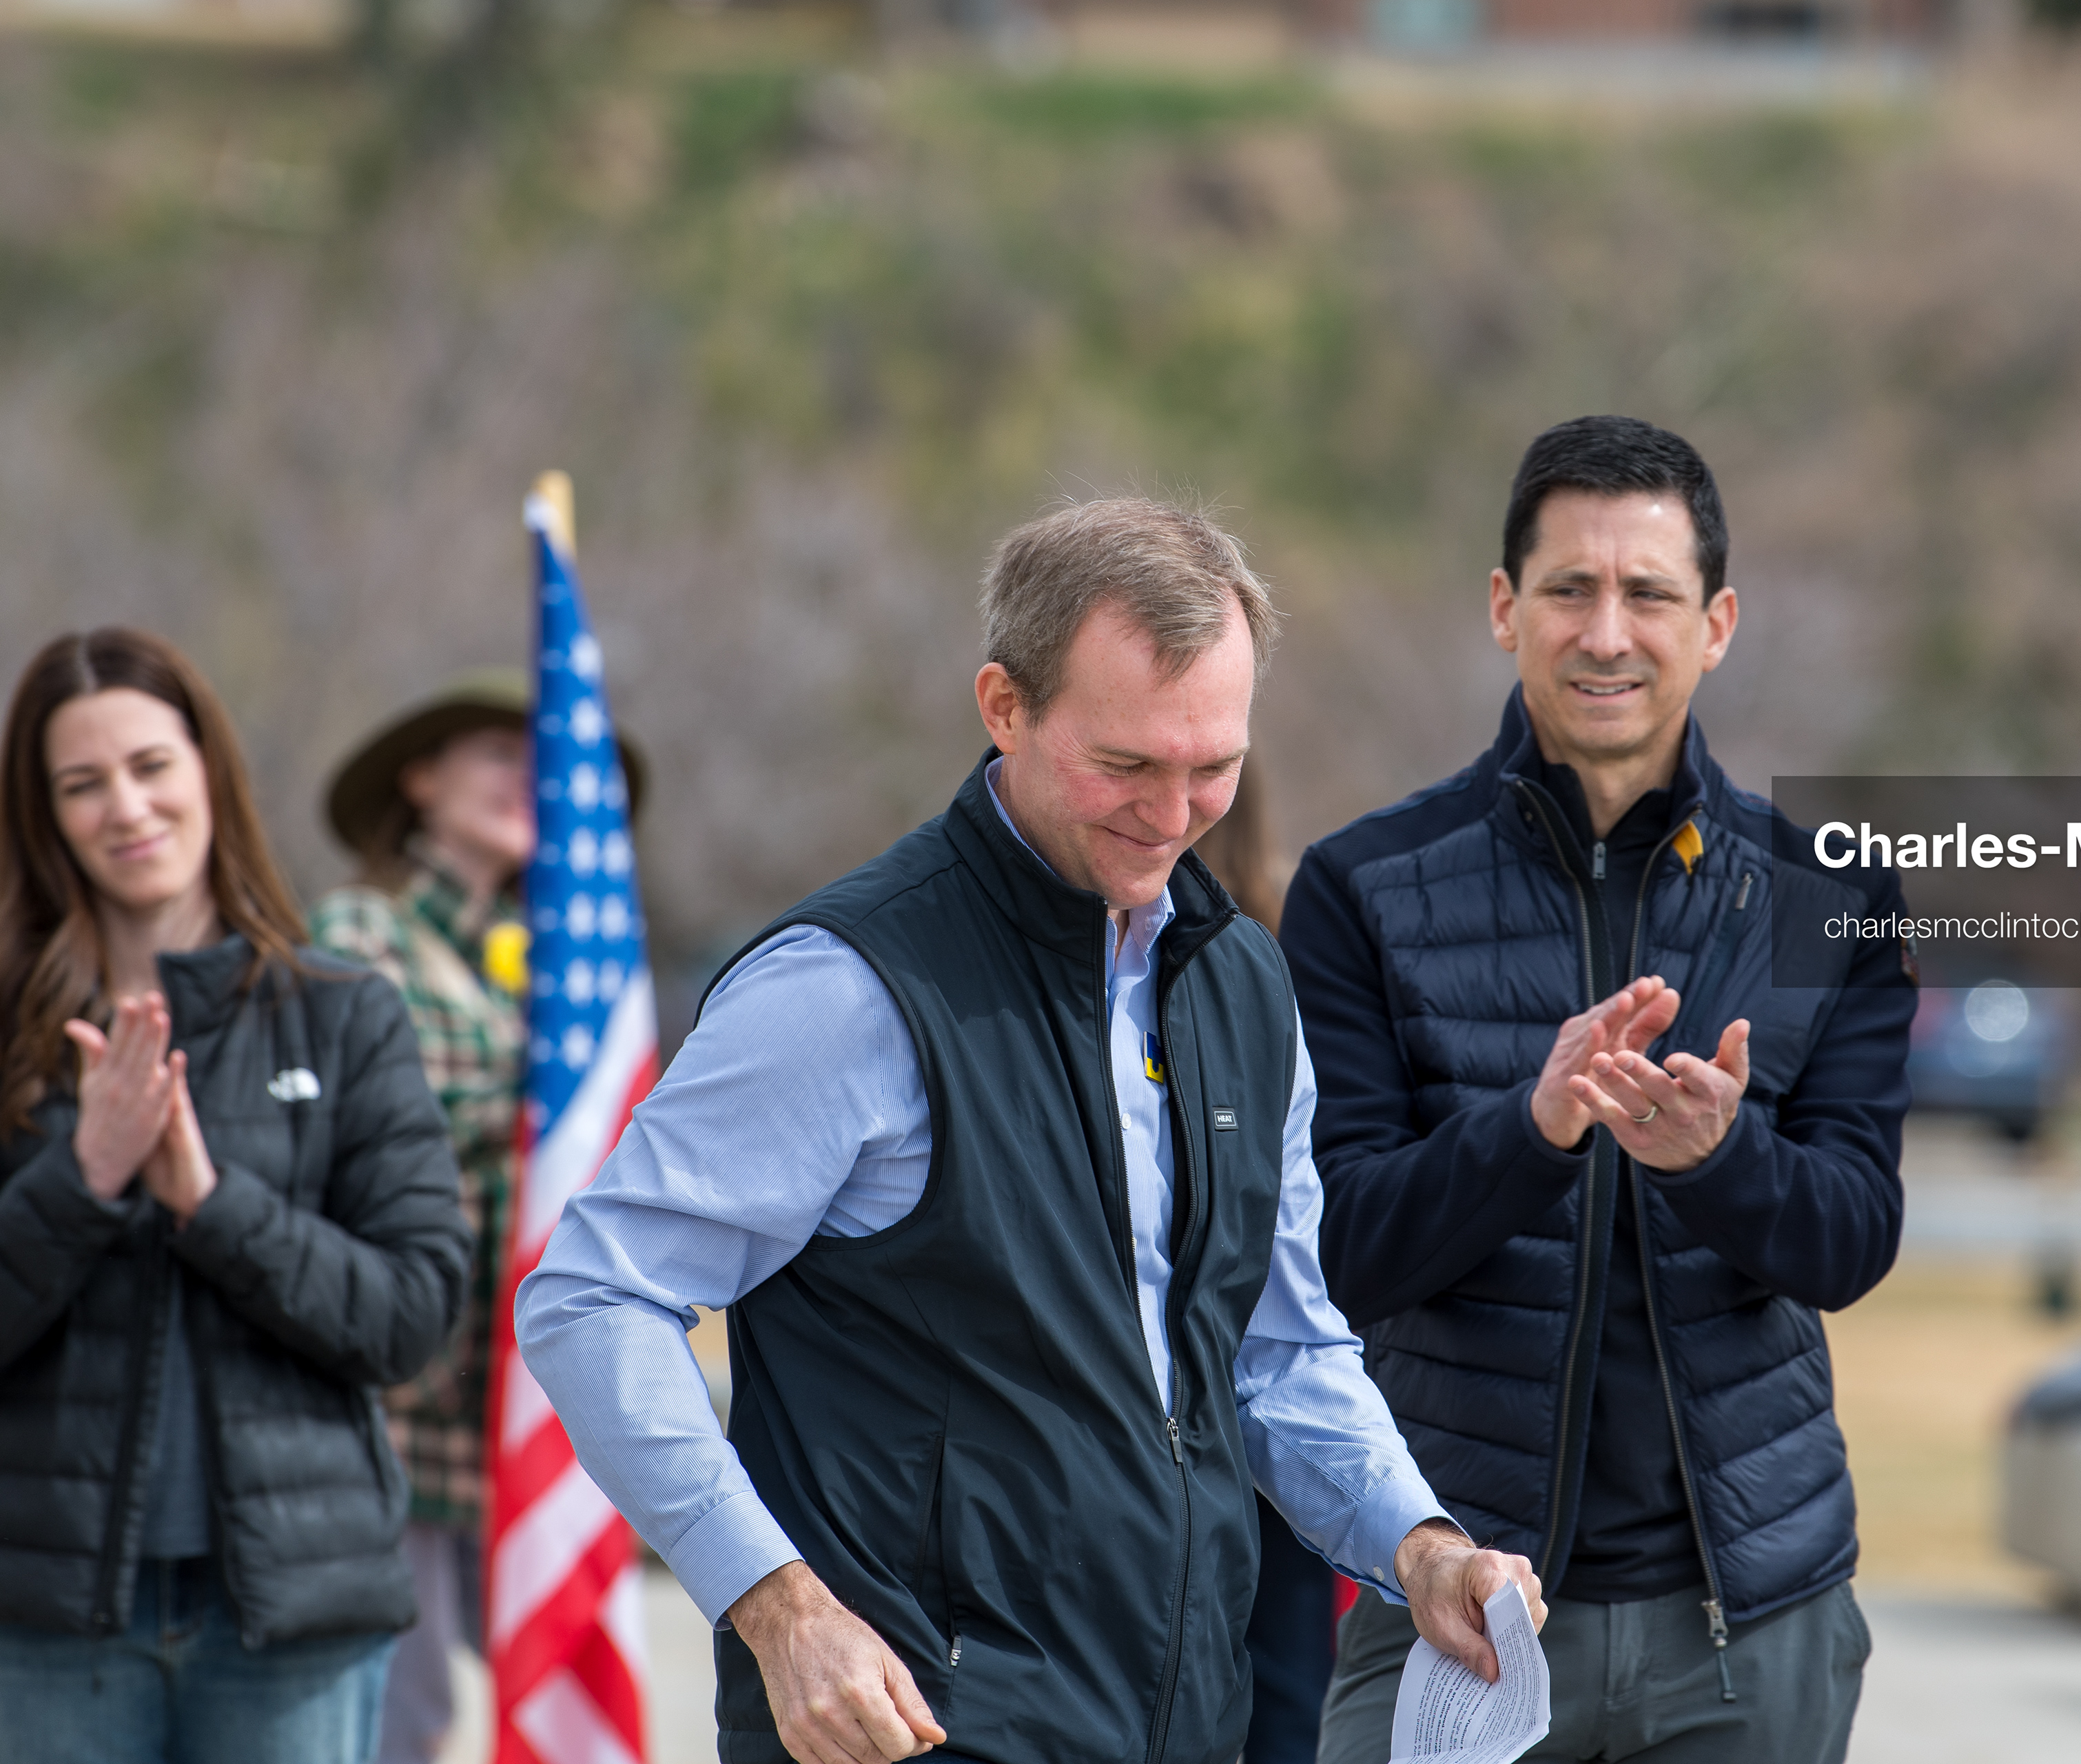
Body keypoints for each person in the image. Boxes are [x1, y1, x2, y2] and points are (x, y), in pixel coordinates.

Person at [514, 498, 1543, 1764]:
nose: (1173, 815)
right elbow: (594, 1298)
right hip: (906, 1736)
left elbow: (1279, 1351)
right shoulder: (844, 988)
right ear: (1004, 705)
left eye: (1212, 766)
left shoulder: (1247, 989)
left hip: (1182, 1731)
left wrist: (1418, 1545)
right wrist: (777, 1610)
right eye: (1126, 766)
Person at [1284, 416, 1914, 1764]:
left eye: (1650, 593)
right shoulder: (1360, 888)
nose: (1607, 632)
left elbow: (1855, 1235)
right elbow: (1337, 1244)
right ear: (1505, 609)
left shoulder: (1835, 896)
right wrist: (1533, 1128)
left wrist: (1719, 1159)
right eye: (1569, 588)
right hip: (1464, 1598)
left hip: (1751, 1625)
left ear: (1720, 620)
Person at [0, 628, 471, 1764]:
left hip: (292, 1631)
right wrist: (86, 1179)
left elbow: (413, 1318)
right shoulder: (13, 1033)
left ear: (208, 769)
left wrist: (211, 1204)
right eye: (83, 783)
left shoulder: (344, 1013)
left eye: (151, 765)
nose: (126, 807)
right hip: (47, 1628)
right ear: (45, 814)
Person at [309, 670, 642, 1764]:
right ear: (420, 779)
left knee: (552, 1695)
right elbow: (366, 1121)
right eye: (502, 754)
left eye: (545, 763)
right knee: (390, 1722)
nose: (529, 781)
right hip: (392, 1408)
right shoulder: (361, 933)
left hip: (521, 1407)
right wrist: (547, 1106)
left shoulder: (558, 973)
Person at [1191, 752, 1342, 1764]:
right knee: (1288, 1686)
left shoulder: (1260, 956)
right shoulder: (1295, 934)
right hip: (1263, 1352)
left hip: (1217, 1363)